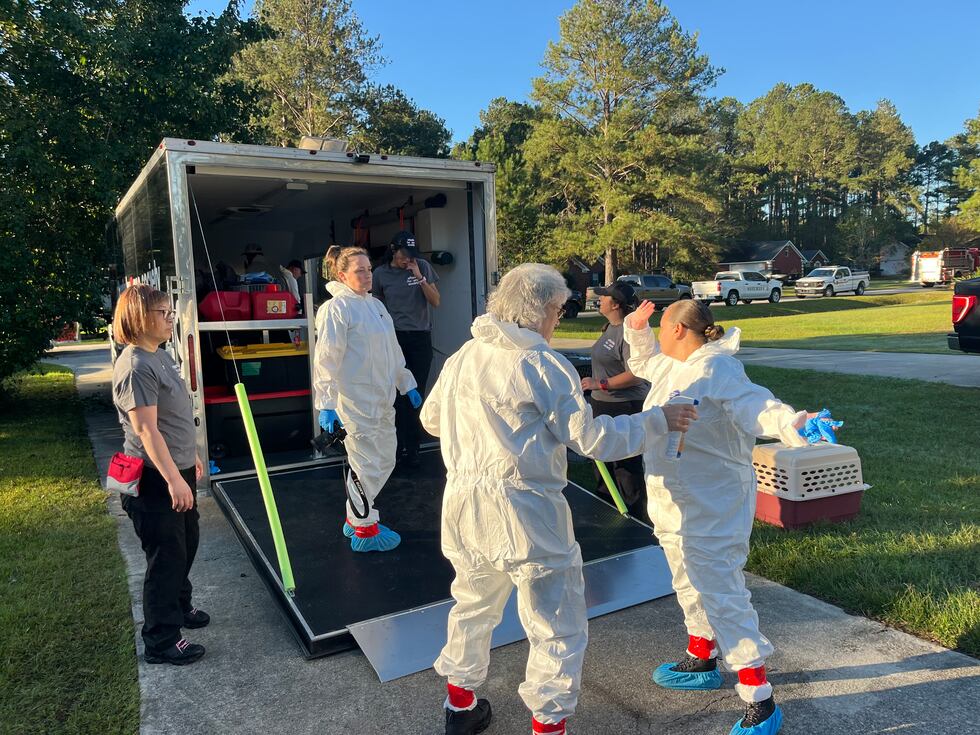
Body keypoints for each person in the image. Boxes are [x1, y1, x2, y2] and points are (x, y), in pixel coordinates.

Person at [420, 264, 698, 735]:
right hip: (527, 510)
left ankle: (460, 707)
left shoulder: (465, 354)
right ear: (542, 309)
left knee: (472, 603)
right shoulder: (542, 365)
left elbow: (431, 420)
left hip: (463, 505)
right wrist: (658, 420)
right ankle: (548, 725)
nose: (558, 320)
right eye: (558, 311)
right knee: (554, 621)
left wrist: (481, 435)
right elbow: (591, 440)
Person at [624, 298, 811, 735]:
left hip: (713, 504)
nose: (657, 334)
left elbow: (756, 405)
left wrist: (792, 424)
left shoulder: (719, 369)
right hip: (675, 502)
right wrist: (637, 328)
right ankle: (701, 656)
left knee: (722, 594)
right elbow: (643, 362)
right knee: (686, 581)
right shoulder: (675, 366)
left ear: (677, 330)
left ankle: (760, 698)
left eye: (660, 326)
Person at [111, 284, 209, 666]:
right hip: (154, 479)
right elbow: (147, 431)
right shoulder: (136, 366)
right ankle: (161, 640)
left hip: (175, 468)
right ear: (139, 318)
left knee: (186, 543)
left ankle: (179, 606)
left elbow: (174, 415)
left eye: (170, 312)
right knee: (166, 557)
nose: (171, 319)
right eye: (163, 313)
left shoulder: (160, 354)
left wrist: (191, 456)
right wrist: (173, 479)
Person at [313, 245, 421, 552]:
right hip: (356, 402)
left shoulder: (375, 306)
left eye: (369, 269)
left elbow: (392, 351)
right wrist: (327, 404)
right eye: (359, 270)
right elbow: (327, 359)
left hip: (382, 400)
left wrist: (406, 383)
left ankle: (355, 514)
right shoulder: (337, 309)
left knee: (384, 458)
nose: (367, 275)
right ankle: (364, 528)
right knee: (365, 464)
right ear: (342, 275)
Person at [578, 281, 650, 521]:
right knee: (602, 460)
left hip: (624, 406)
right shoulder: (609, 327)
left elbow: (637, 374)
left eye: (604, 297)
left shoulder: (629, 332)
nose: (599, 299)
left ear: (616, 304)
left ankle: (636, 520)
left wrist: (600, 384)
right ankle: (606, 511)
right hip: (603, 405)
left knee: (626, 466)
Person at [372, 230, 440, 471]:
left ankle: (413, 449)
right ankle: (395, 448)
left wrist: (419, 277)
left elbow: (436, 301)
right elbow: (376, 307)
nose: (407, 260)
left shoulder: (422, 266)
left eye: (411, 255)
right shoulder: (380, 274)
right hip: (394, 339)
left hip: (420, 338)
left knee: (414, 394)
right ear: (393, 251)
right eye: (403, 256)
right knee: (395, 396)